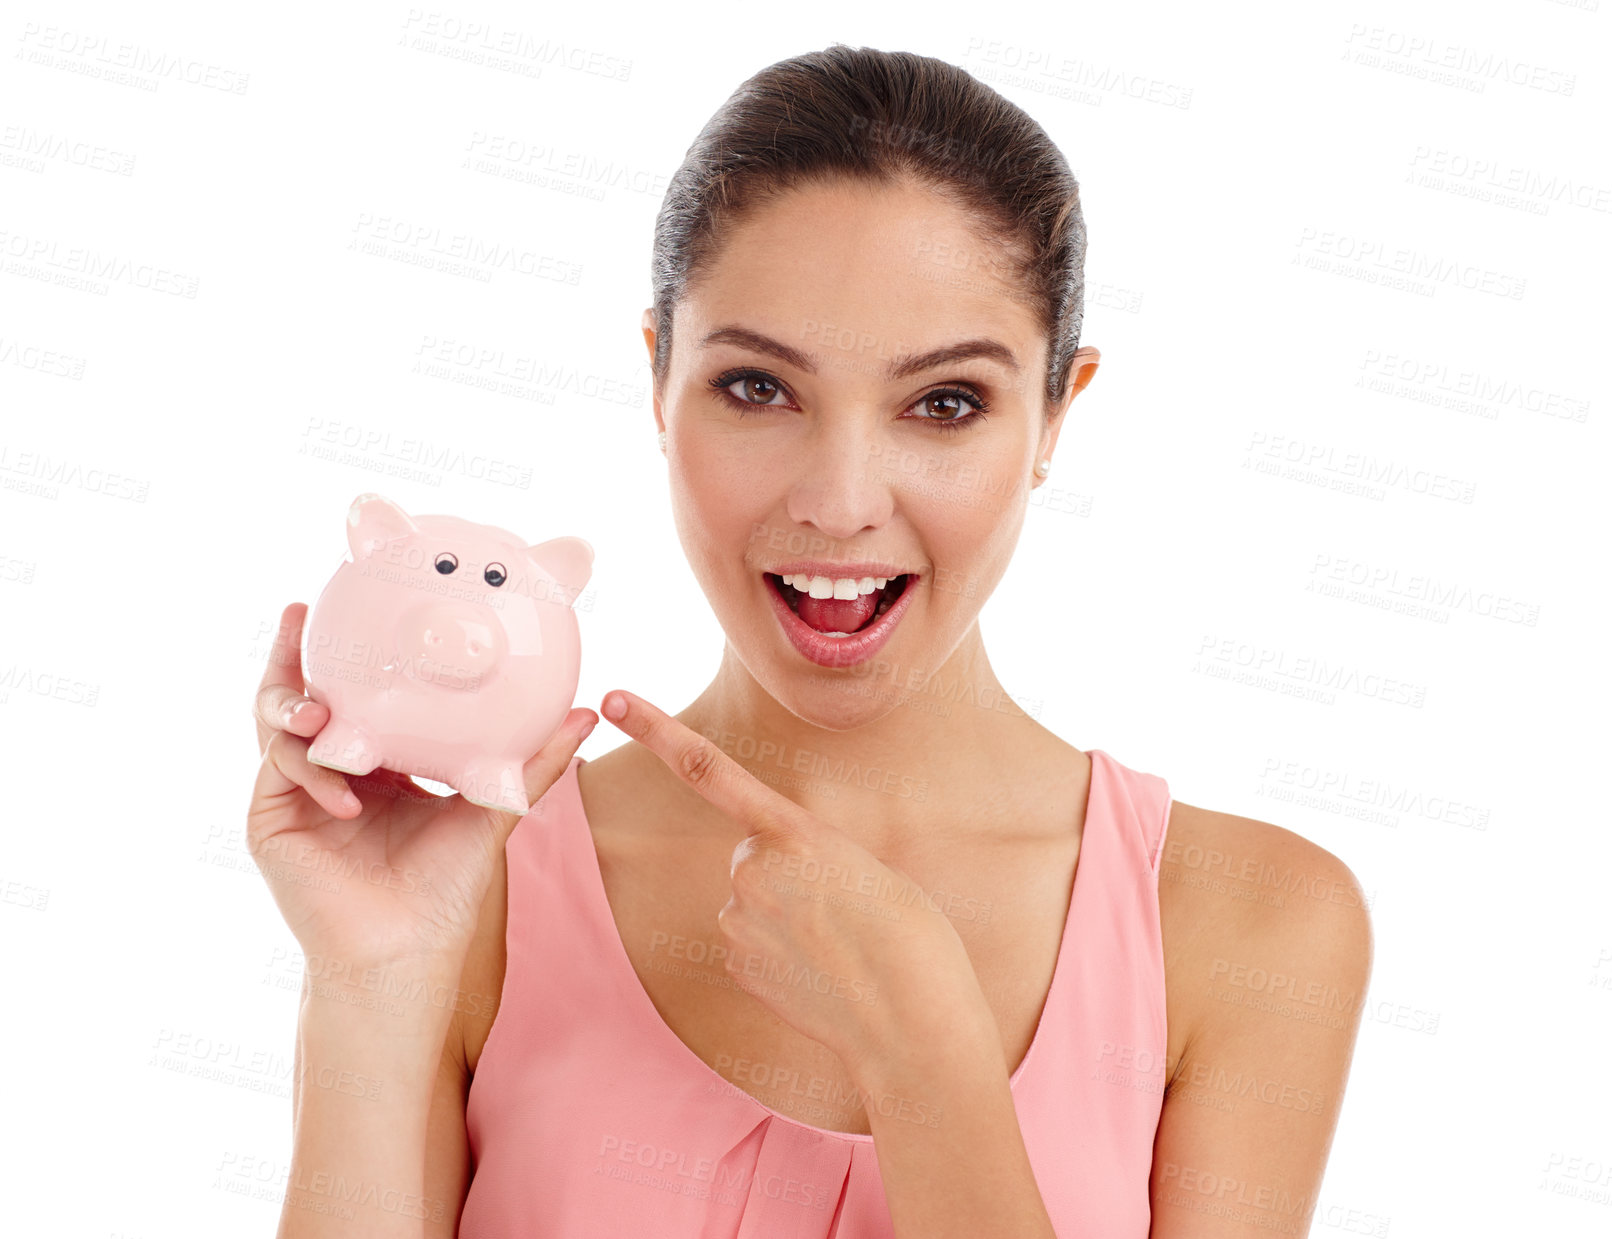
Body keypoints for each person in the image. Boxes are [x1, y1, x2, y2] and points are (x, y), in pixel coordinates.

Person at [249, 43, 1372, 1239]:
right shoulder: (478, 883)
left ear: (1056, 415)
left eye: (943, 402)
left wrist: (927, 1060)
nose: (840, 502)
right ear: (657, 380)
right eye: (757, 389)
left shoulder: (1249, 920)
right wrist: (369, 985)